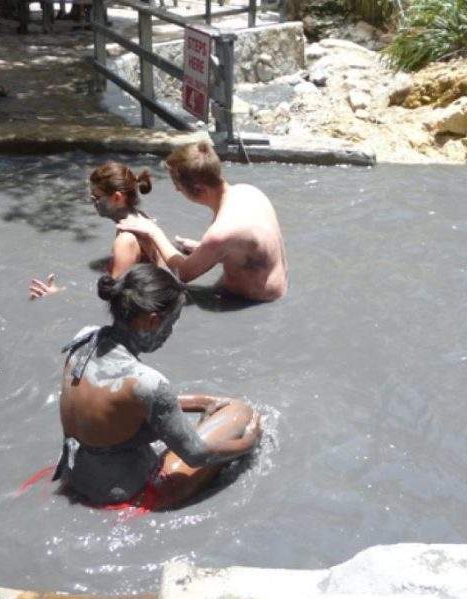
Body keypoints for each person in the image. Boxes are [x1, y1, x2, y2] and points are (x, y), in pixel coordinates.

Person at [54, 265, 262, 510]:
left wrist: (201, 402)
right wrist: (250, 440)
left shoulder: (83, 340)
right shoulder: (148, 382)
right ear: (153, 321)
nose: (170, 332)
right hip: (130, 493)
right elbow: (195, 454)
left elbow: (119, 403)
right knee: (240, 411)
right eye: (171, 323)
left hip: (76, 476)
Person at [116, 141, 288, 302]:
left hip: (251, 302)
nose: (176, 190)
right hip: (274, 288)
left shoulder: (221, 233)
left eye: (178, 185)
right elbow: (250, 248)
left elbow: (182, 273)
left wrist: (152, 231)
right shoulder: (248, 191)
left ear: (198, 189)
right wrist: (203, 249)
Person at [28, 162, 165, 300]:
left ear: (117, 198)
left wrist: (60, 294)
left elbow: (116, 299)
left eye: (96, 197)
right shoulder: (141, 218)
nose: (94, 202)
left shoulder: (126, 240)